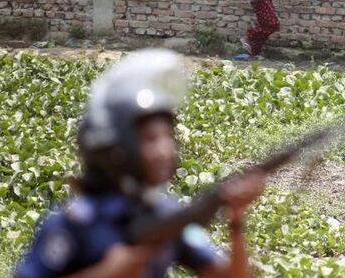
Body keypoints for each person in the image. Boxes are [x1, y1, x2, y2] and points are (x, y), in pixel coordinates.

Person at [15, 49, 266, 278]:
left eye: (168, 137)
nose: (164, 149)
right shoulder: (74, 223)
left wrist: (236, 220)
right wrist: (108, 273)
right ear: (113, 147)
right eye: (150, 139)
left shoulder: (164, 213)